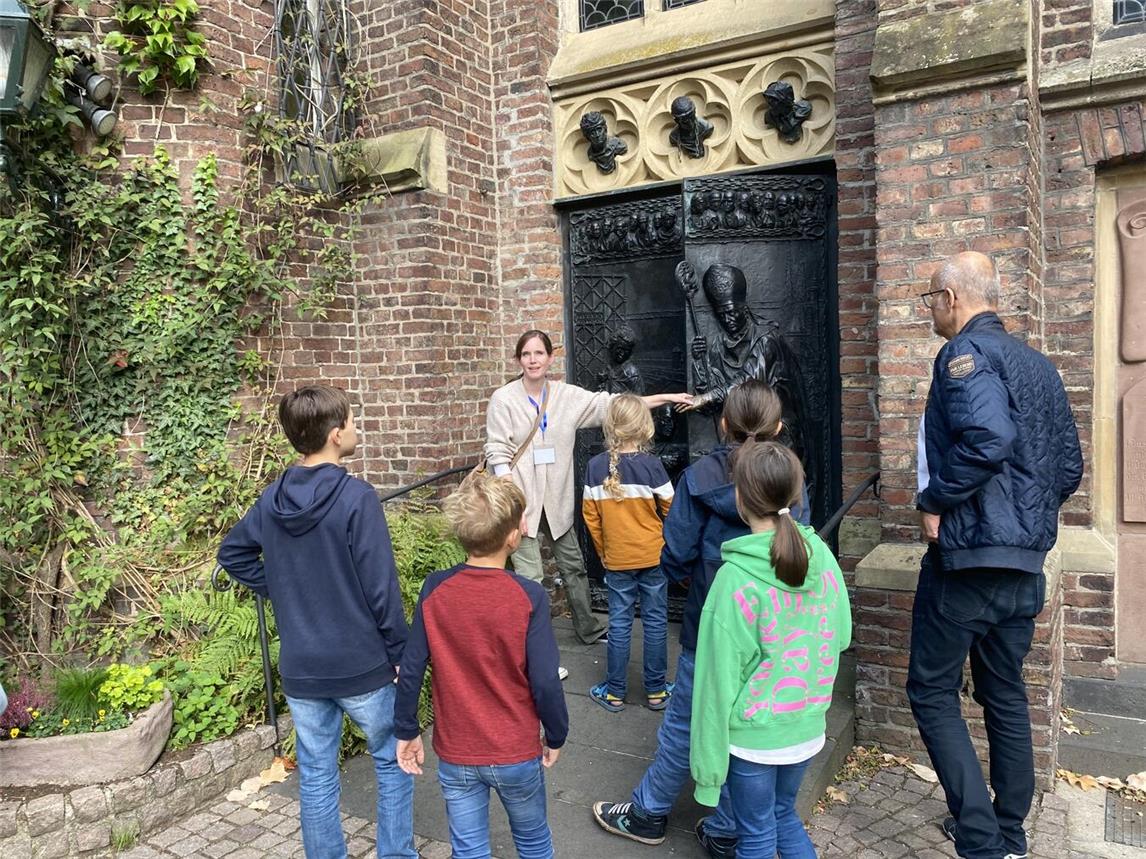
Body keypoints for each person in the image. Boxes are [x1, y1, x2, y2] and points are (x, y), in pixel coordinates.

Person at [909, 252, 1082, 859]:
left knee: (931, 692)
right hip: (1023, 564)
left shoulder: (966, 355)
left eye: (929, 297)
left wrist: (935, 499)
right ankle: (1010, 834)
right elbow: (1068, 469)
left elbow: (989, 438)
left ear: (952, 298)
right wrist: (1028, 527)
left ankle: (981, 842)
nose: (928, 308)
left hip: (969, 562)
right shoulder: (1039, 365)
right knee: (1004, 691)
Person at [593, 379, 810, 857]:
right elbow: (802, 537)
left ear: (724, 423)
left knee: (686, 723)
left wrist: (692, 579)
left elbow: (676, 550)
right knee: (745, 727)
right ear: (776, 426)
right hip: (775, 627)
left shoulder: (701, 477)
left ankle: (648, 813)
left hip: (710, 622)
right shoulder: (787, 473)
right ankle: (730, 824)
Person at [217, 386, 415, 859]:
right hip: (361, 662)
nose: (355, 427)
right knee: (392, 761)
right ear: (334, 434)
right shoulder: (356, 497)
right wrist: (400, 655)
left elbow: (233, 554)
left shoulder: (272, 498)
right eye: (351, 420)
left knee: (319, 771)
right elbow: (381, 588)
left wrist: (281, 587)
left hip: (303, 666)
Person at [484, 329, 691, 673]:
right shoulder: (503, 399)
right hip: (522, 503)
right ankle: (539, 656)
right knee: (531, 580)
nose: (533, 360)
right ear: (518, 360)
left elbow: (615, 405)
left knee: (574, 569)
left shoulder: (566, 396)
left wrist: (667, 397)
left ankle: (588, 629)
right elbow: (498, 454)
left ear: (551, 358)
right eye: (526, 355)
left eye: (539, 354)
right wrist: (514, 508)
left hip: (557, 503)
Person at [691, 441, 851, 859]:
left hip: (754, 737)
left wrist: (707, 775)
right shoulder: (820, 556)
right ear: (795, 497)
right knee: (783, 815)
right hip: (807, 724)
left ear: (740, 499)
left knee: (757, 833)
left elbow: (714, 684)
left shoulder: (734, 580)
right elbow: (842, 635)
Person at [393, 475, 567, 859]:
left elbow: (412, 666)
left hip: (457, 752)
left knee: (469, 850)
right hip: (515, 749)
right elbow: (544, 681)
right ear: (511, 537)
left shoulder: (435, 589)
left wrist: (406, 728)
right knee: (534, 841)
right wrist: (556, 733)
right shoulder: (529, 596)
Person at [582, 394, 674, 713]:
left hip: (617, 559)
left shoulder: (595, 468)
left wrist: (605, 552)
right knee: (655, 620)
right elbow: (671, 509)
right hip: (653, 556)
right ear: (644, 427)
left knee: (619, 623)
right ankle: (657, 691)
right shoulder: (653, 466)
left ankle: (616, 692)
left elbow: (591, 519)